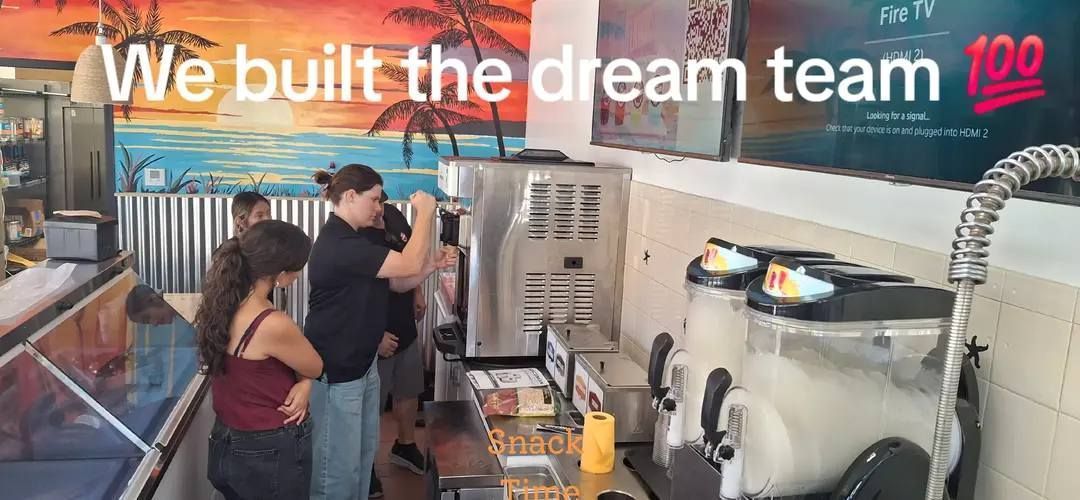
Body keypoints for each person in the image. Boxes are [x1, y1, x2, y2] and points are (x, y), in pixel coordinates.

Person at [304, 164, 437, 500]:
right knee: (335, 469)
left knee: (361, 461)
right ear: (350, 196)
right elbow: (406, 264)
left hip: (362, 365)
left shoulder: (356, 239)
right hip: (339, 371)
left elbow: (399, 281)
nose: (380, 208)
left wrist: (431, 266)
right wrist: (425, 214)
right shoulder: (339, 243)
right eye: (375, 200)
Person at [195, 220, 324, 500]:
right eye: (297, 268)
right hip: (268, 448)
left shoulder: (221, 302)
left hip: (225, 438)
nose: (299, 276)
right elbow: (314, 365)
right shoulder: (272, 323)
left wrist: (304, 383)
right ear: (280, 273)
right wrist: (305, 380)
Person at [369, 193, 455, 498]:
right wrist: (374, 334)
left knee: (408, 389)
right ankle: (365, 466)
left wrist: (418, 291)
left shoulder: (392, 215)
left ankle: (404, 445)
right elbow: (356, 296)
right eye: (373, 201)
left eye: (381, 201)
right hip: (375, 329)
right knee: (372, 404)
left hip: (403, 320)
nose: (378, 209)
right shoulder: (355, 233)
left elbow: (410, 257)